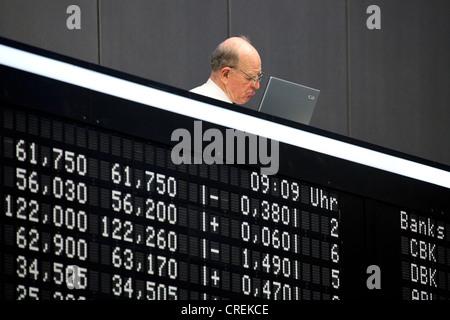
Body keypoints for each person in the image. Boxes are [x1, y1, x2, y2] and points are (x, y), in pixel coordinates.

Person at [190, 36, 263, 105]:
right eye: (249, 78)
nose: (257, 86)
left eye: (258, 77)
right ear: (225, 75)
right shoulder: (194, 105)